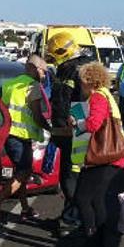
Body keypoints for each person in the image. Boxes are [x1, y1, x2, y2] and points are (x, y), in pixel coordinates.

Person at [0, 55, 51, 221]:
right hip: (21, 136)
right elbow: (37, 115)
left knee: (20, 172)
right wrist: (51, 129)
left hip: (10, 134)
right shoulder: (33, 86)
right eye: (43, 71)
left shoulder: (10, 84)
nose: (44, 76)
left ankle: (25, 208)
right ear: (33, 68)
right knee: (24, 172)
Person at [71, 61, 124, 247]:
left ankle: (91, 239)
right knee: (97, 198)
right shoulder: (107, 95)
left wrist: (77, 123)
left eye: (81, 81)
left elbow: (94, 124)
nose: (80, 85)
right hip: (114, 157)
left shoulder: (97, 97)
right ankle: (102, 241)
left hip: (104, 156)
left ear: (88, 81)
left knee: (82, 198)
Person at [46, 31, 93, 236]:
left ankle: (74, 219)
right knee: (68, 177)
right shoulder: (67, 70)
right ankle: (71, 215)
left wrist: (75, 127)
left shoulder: (77, 71)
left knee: (71, 178)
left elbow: (82, 104)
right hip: (66, 132)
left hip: (76, 133)